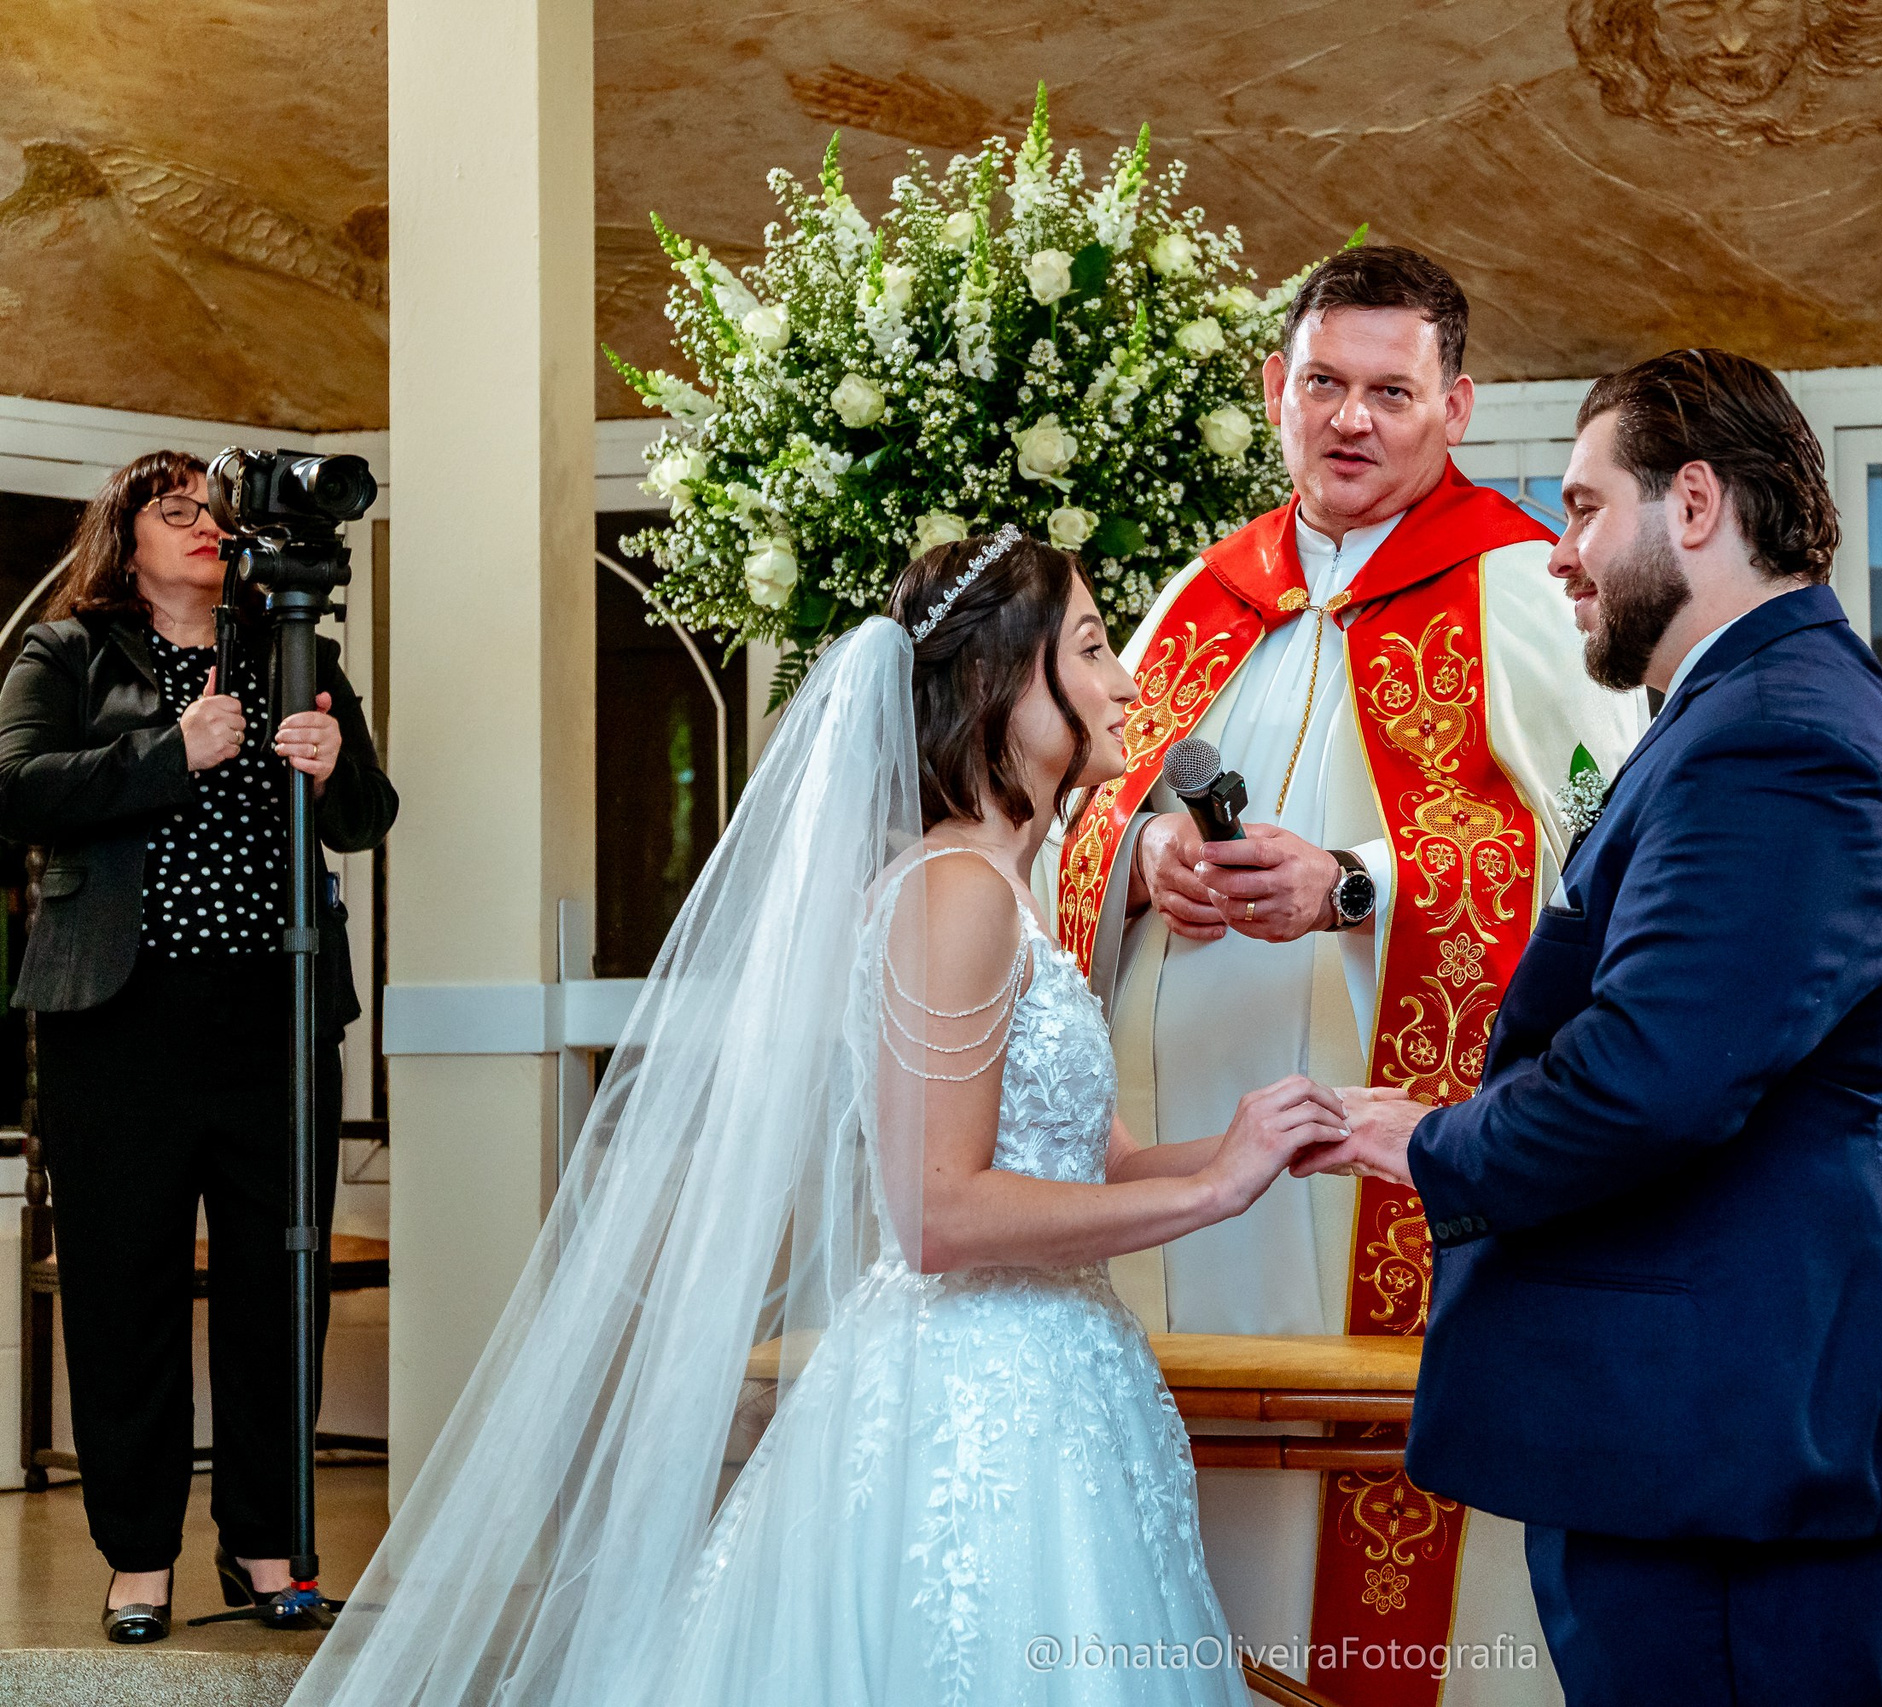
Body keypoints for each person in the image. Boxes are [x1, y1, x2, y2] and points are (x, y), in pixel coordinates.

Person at [292, 530, 1347, 1707]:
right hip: (969, 1405)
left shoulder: (1011, 893)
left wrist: (1264, 1135)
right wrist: (1210, 1193)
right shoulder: (950, 893)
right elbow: (939, 1215)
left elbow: (1097, 1167)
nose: (1126, 683)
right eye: (1093, 649)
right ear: (1004, 683)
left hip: (1060, 1380)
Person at [1298, 349, 1882, 1707]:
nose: (1562, 554)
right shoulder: (1742, 711)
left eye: (1582, 506)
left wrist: (1431, 1138)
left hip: (1734, 1453)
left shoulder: (1776, 734)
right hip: (1702, 1438)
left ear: (1692, 504)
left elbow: (1652, 1076)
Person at [1052, 243, 1645, 1699]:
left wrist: (1358, 883)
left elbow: (1611, 854)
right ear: (1277, 390)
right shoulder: (1202, 593)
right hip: (1175, 1175)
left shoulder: (1521, 583)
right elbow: (1070, 807)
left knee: (1385, 1570)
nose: (1352, 419)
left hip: (1379, 1171)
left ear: (1458, 402)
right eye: (1325, 382)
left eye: (1391, 389)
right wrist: (1140, 867)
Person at [0, 449, 396, 1642]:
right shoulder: (66, 654)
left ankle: (269, 1549)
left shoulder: (298, 652)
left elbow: (368, 816)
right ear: (127, 541)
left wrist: (334, 773)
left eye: (216, 514)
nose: (206, 529)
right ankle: (137, 1561)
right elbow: (18, 789)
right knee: (127, 1296)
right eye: (177, 513)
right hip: (117, 1022)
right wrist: (175, 751)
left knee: (281, 1292)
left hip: (272, 1022)